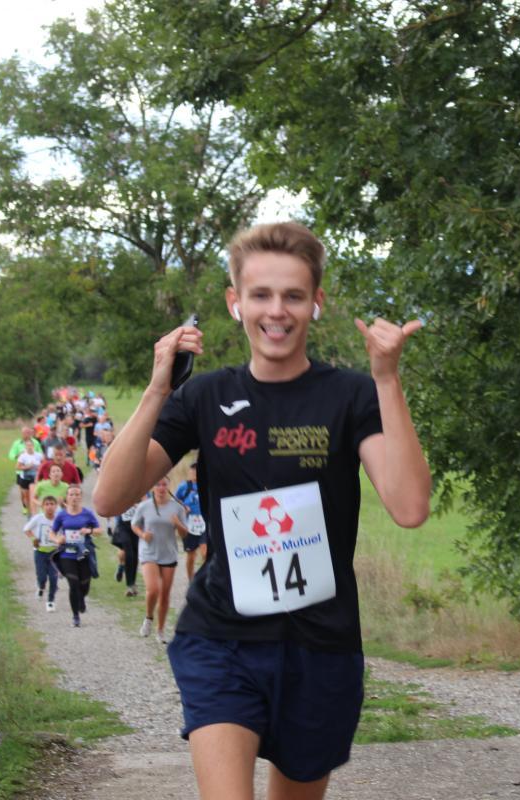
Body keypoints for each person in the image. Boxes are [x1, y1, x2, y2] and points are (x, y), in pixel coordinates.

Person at [94, 221, 431, 800]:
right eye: (261, 295)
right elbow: (109, 497)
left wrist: (386, 378)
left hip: (321, 644)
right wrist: (157, 390)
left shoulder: (350, 395)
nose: (277, 311)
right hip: (221, 637)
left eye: (293, 295)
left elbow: (409, 507)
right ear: (236, 302)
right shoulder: (204, 396)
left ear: (317, 302)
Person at [133, 476, 190, 643]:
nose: (161, 488)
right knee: (153, 589)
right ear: (153, 487)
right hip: (149, 552)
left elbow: (184, 534)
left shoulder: (177, 508)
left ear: (168, 487)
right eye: (158, 484)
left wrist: (177, 523)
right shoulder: (144, 506)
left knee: (165, 595)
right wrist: (143, 534)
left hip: (168, 554)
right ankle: (148, 617)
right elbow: (134, 525)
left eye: (164, 484)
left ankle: (160, 630)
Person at [52, 484, 103, 627]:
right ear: (67, 498)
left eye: (77, 494)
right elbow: (52, 532)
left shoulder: (87, 513)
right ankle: (75, 616)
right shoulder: (62, 515)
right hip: (67, 554)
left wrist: (89, 531)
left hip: (84, 553)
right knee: (73, 583)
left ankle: (81, 598)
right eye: (71, 494)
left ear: (81, 497)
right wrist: (57, 539)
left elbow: (99, 530)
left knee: (84, 585)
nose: (74, 497)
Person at [23, 494, 62, 611]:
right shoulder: (38, 518)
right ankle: (41, 587)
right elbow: (26, 529)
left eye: (52, 504)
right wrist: (34, 539)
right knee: (42, 576)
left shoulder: (59, 519)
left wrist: (61, 541)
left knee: (54, 578)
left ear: (56, 506)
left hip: (55, 553)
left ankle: (50, 601)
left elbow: (65, 531)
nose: (49, 507)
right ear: (42, 507)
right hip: (40, 552)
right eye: (47, 504)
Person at [175, 461, 208, 582]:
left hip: (204, 523)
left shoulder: (206, 484)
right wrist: (183, 508)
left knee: (205, 553)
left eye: (197, 469)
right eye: (193, 470)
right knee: (191, 556)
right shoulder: (184, 486)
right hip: (189, 525)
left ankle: (204, 579)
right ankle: (191, 581)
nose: (195, 472)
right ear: (189, 472)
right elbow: (175, 502)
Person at [14, 438, 44, 516]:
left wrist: (39, 467)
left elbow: (44, 465)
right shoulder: (23, 456)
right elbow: (17, 467)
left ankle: (35, 512)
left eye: (31, 445)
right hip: (25, 478)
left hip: (35, 478)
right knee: (26, 496)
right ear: (25, 447)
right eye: (27, 445)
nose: (29, 447)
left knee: (34, 495)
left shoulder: (39, 455)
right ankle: (29, 511)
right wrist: (27, 467)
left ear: (33, 446)